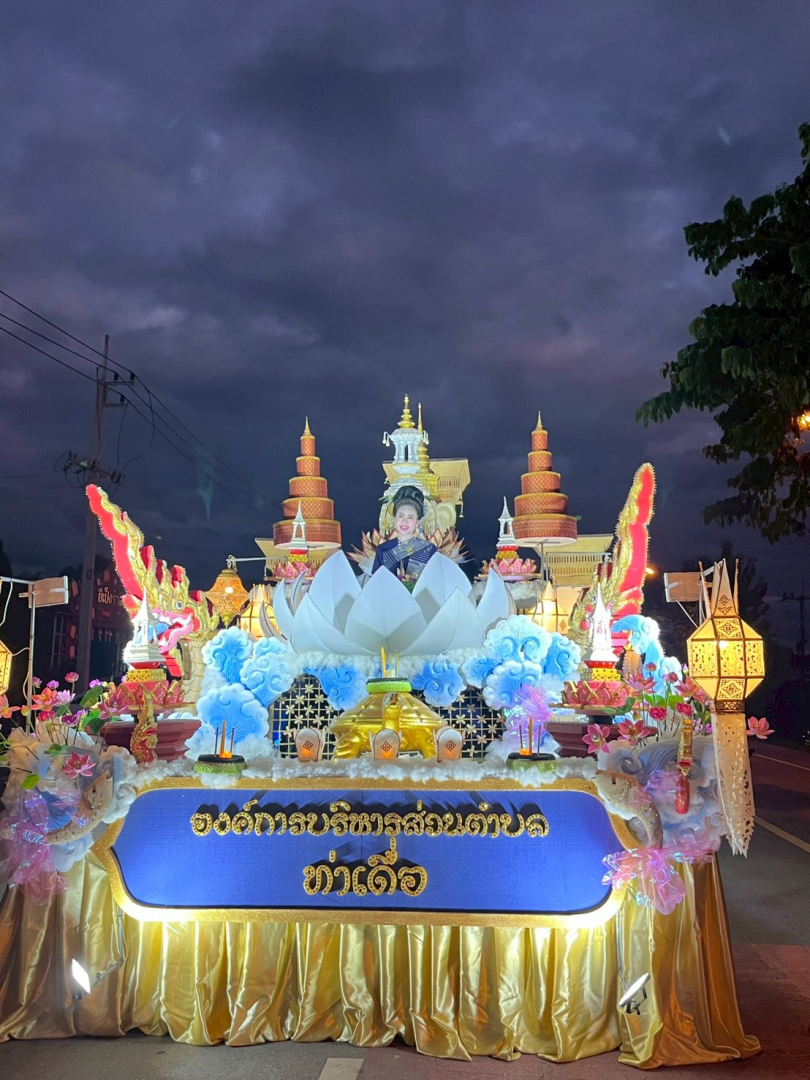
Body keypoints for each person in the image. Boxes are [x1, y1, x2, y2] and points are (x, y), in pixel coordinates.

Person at [372, 485, 437, 582]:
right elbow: (376, 583)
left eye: (410, 517)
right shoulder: (383, 550)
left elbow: (434, 582)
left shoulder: (429, 549)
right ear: (394, 519)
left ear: (417, 523)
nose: (404, 521)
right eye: (400, 516)